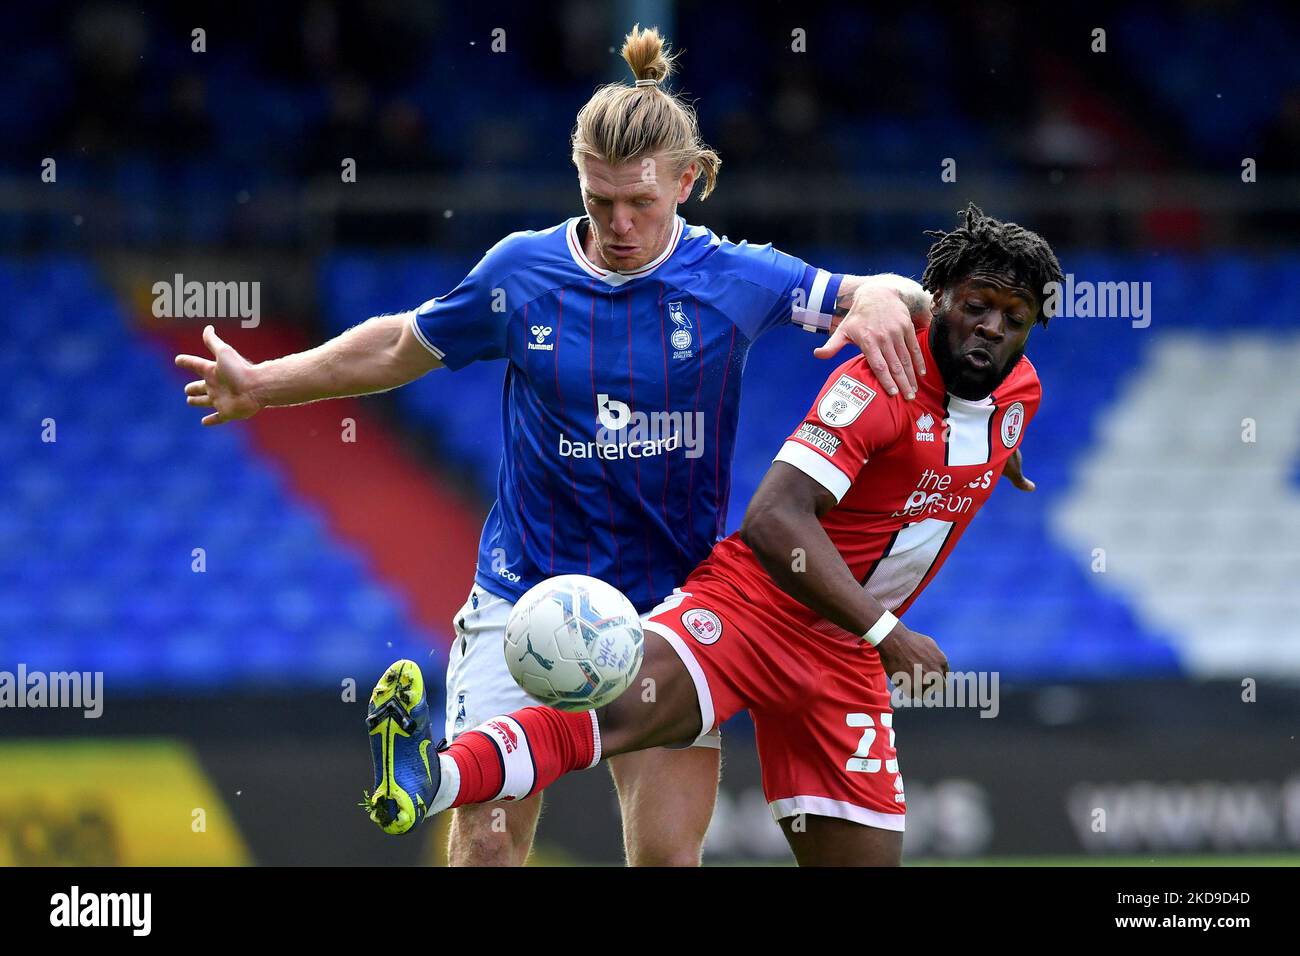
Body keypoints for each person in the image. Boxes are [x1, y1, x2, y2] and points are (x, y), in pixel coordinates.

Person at [176, 25, 1002, 866]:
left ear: (686, 182)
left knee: (666, 859)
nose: (618, 223)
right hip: (523, 602)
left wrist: (881, 300)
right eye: (599, 200)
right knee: (489, 845)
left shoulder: (736, 278)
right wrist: (264, 382)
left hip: (673, 615)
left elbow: (875, 290)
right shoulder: (522, 275)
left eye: (640, 202)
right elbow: (399, 345)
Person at [363, 204, 1062, 865]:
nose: (992, 329)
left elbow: (980, 414)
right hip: (756, 611)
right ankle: (433, 776)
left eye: (1014, 317)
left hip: (841, 661)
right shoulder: (876, 388)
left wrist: (997, 451)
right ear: (937, 301)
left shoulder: (1015, 392)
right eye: (976, 307)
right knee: (621, 715)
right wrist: (888, 633)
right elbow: (771, 520)